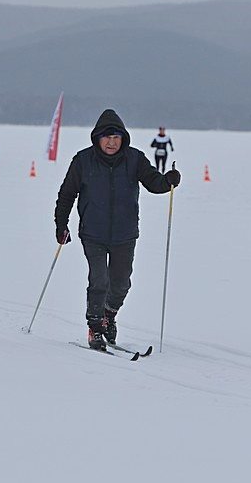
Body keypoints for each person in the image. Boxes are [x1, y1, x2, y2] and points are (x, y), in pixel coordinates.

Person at [54, 109, 181, 350]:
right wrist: (61, 224)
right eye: (106, 137)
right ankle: (95, 327)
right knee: (99, 280)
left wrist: (168, 181)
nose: (111, 143)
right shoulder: (83, 161)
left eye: (116, 137)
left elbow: (153, 182)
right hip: (93, 233)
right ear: (97, 138)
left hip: (125, 233)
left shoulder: (135, 159)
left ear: (123, 138)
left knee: (121, 283)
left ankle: (109, 315)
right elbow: (67, 194)